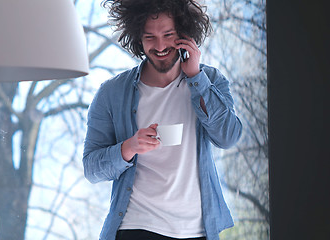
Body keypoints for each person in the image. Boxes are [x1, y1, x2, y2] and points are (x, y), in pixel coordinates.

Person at [83, 0, 243, 239]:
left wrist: (196, 78)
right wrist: (129, 147)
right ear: (138, 37)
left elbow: (228, 137)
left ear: (183, 34)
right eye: (150, 37)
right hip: (136, 227)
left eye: (168, 34)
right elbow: (92, 168)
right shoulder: (111, 93)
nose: (159, 46)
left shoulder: (209, 80)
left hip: (196, 230)